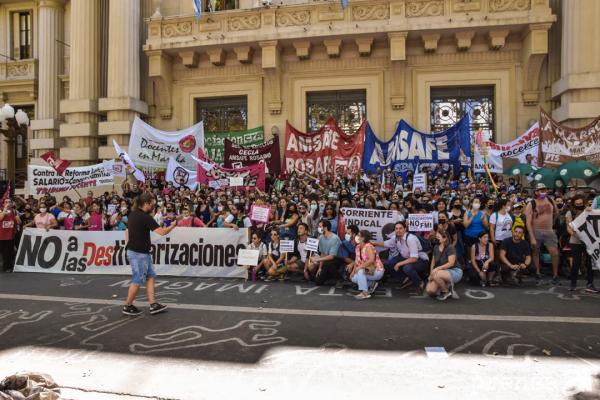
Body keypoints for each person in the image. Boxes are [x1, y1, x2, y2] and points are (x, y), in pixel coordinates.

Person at [123, 192, 177, 316]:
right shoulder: (145, 217)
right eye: (152, 203)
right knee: (137, 280)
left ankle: (153, 304)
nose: (153, 205)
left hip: (139, 252)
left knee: (150, 276)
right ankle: (128, 305)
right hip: (138, 253)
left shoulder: (133, 214)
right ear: (146, 203)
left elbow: (126, 231)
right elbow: (162, 232)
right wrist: (173, 226)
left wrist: (129, 244)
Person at [376, 222, 429, 294]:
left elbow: (414, 258)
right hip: (406, 258)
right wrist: (373, 243)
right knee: (388, 264)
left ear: (405, 229)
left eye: (400, 228)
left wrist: (399, 264)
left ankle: (420, 284)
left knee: (407, 268)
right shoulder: (395, 237)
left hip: (421, 260)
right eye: (396, 229)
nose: (398, 230)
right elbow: (386, 243)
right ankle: (406, 279)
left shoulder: (410, 239)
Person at [525, 183, 560, 284]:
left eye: (544, 189)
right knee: (536, 252)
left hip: (549, 231)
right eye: (541, 190)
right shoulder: (531, 203)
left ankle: (555, 275)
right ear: (536, 192)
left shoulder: (550, 200)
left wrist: (552, 223)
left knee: (555, 253)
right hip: (536, 231)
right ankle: (537, 273)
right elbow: (528, 222)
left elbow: (556, 212)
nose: (543, 192)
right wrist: (532, 237)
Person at [566, 195, 598, 293]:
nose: (579, 205)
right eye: (577, 204)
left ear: (583, 202)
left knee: (590, 262)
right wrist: (574, 234)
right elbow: (568, 226)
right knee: (576, 262)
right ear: (573, 204)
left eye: (581, 204)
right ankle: (573, 283)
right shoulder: (570, 213)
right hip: (575, 241)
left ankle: (590, 284)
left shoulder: (587, 211)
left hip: (589, 241)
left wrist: (590, 210)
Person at [426, 230, 462, 300]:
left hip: (455, 271)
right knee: (430, 291)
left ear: (444, 238)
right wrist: (431, 273)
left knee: (436, 274)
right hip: (441, 271)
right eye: (436, 237)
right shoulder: (436, 247)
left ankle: (445, 291)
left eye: (438, 237)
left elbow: (451, 263)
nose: (436, 239)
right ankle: (447, 285)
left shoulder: (450, 247)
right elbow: (433, 262)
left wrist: (437, 269)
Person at [349, 230, 384, 300]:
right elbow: (357, 261)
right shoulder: (358, 247)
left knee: (360, 272)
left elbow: (371, 260)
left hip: (376, 270)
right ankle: (371, 283)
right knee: (354, 278)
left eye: (359, 235)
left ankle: (365, 293)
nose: (357, 237)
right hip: (367, 270)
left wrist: (359, 267)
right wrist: (353, 271)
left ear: (363, 238)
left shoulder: (368, 247)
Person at [306, 220, 342, 285]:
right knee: (317, 280)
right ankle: (329, 278)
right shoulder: (321, 237)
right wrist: (320, 268)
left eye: (320, 226)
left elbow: (332, 256)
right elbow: (322, 253)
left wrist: (317, 259)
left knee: (327, 264)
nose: (318, 228)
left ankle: (340, 279)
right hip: (326, 259)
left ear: (325, 228)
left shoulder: (335, 238)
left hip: (337, 259)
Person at [0, 198, 21, 272]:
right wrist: (5, 210)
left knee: (8, 252)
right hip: (1, 235)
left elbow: (19, 222)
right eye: (6, 202)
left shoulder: (14, 211)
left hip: (10, 235)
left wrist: (17, 218)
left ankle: (7, 267)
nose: (8, 203)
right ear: (3, 204)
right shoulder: (1, 210)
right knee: (2, 252)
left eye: (9, 202)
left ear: (12, 204)